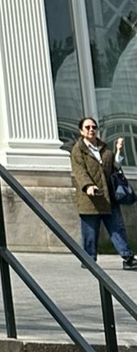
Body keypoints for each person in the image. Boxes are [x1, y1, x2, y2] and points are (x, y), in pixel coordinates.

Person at [69, 115, 136, 268]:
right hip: (90, 198)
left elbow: (115, 167)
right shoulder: (78, 150)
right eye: (87, 127)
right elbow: (79, 171)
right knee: (90, 232)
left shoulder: (104, 148)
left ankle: (128, 258)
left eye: (94, 127)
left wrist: (118, 151)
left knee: (117, 228)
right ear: (81, 131)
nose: (91, 130)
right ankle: (88, 260)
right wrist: (88, 186)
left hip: (108, 196)